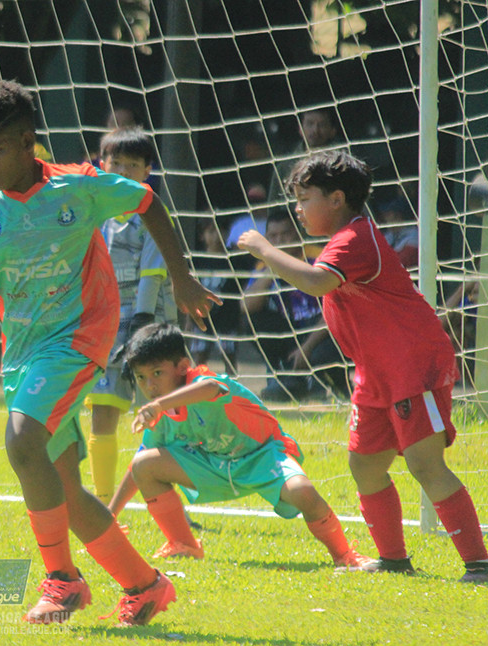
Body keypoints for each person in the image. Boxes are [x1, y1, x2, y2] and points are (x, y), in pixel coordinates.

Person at [0, 79, 219, 626]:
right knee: (63, 488)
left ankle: (62, 581)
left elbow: (149, 204)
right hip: (23, 351)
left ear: (28, 140)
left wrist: (182, 278)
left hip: (80, 336)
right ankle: (145, 586)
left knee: (23, 440)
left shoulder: (80, 187)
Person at [238, 149, 488, 582]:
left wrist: (264, 248)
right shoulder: (342, 240)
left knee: (425, 465)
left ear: (337, 199)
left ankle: (480, 564)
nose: (297, 210)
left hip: (412, 365)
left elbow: (317, 282)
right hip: (376, 371)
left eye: (304, 198)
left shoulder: (357, 237)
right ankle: (394, 560)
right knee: (366, 464)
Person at [107, 323, 372, 568]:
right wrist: (110, 516)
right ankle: (184, 544)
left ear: (182, 366)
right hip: (215, 466)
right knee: (144, 464)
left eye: (156, 373)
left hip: (263, 456)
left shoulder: (200, 382)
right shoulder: (161, 413)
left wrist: (158, 406)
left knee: (303, 492)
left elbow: (212, 388)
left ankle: (344, 556)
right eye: (141, 378)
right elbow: (137, 468)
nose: (149, 386)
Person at [83, 127, 175, 505]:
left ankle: (170, 504)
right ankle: (105, 502)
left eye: (132, 165)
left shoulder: (150, 212)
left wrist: (141, 325)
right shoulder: (92, 214)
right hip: (104, 328)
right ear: (101, 165)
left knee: (160, 415)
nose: (121, 171)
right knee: (102, 410)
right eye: (114, 162)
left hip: (147, 325)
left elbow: (152, 274)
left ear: (146, 171)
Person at [242, 206, 349, 401]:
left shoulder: (319, 257)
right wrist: (276, 265)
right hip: (292, 330)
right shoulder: (265, 264)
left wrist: (307, 347)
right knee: (252, 321)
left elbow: (338, 309)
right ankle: (285, 375)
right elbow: (247, 306)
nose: (279, 241)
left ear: (298, 234)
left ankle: (337, 385)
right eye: (273, 236)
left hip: (324, 329)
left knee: (322, 351)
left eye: (285, 234)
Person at [188, 218, 243, 372]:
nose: (217, 235)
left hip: (228, 318)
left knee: (229, 357)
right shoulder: (197, 261)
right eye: (211, 231)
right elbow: (190, 292)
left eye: (221, 231)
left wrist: (240, 319)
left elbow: (241, 290)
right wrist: (188, 319)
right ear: (202, 235)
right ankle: (198, 387)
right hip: (202, 317)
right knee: (200, 357)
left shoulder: (234, 260)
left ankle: (233, 389)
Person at [267, 108, 340, 203]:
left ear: (332, 131)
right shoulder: (284, 167)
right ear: (300, 129)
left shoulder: (341, 164)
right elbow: (274, 212)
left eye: (322, 125)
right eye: (310, 124)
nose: (315, 130)